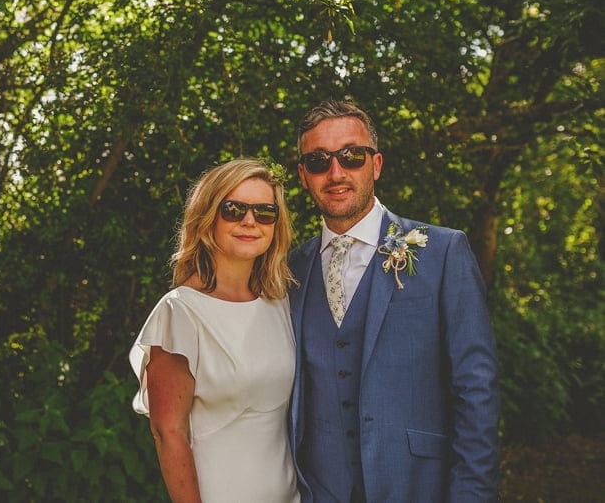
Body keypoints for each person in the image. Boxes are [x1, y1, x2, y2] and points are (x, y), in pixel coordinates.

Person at [288, 100, 499, 503]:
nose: (336, 173)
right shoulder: (291, 268)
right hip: (318, 491)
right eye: (318, 161)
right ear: (303, 175)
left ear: (376, 164)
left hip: (418, 486)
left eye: (351, 156)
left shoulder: (442, 251)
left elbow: (477, 390)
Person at [130, 159, 301, 502]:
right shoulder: (179, 312)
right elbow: (168, 432)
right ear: (208, 217)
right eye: (234, 209)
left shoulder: (282, 302)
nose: (249, 221)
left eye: (264, 212)